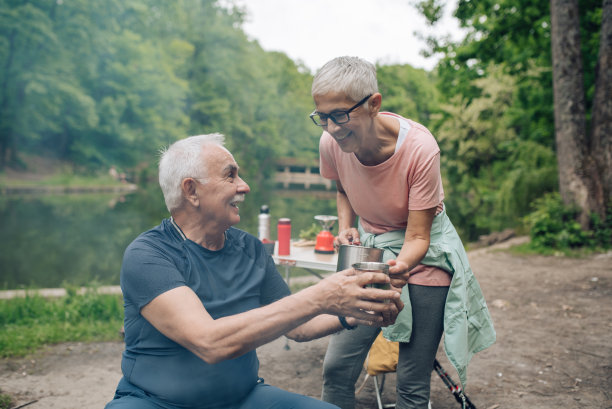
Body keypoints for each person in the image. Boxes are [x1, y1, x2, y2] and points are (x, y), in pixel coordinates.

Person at [104, 133, 403, 409]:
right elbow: (209, 341)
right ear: (191, 190)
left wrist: (357, 310)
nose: (244, 185)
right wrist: (320, 295)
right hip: (155, 402)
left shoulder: (249, 247)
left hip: (243, 399)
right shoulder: (148, 255)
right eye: (230, 175)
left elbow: (298, 327)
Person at [310, 56, 496, 409]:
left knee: (411, 382)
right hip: (372, 253)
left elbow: (418, 238)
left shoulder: (420, 149)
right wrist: (348, 227)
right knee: (337, 368)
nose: (331, 128)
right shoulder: (330, 143)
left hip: (424, 257)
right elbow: (342, 189)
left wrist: (394, 272)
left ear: (373, 104)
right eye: (322, 116)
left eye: (340, 115)